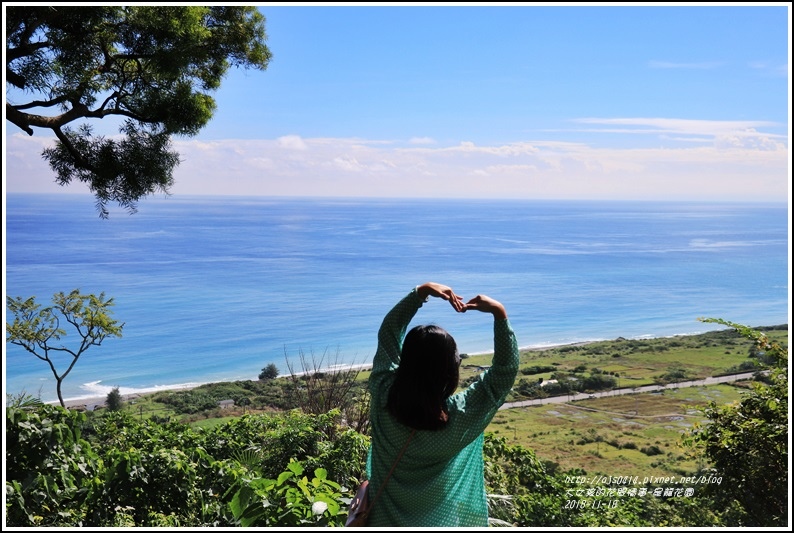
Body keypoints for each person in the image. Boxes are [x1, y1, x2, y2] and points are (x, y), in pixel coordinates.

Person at [365, 282, 519, 527]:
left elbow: (389, 332)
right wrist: (499, 314)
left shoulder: (384, 394)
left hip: (381, 520)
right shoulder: (459, 417)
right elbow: (503, 374)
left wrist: (420, 292)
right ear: (449, 372)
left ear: (405, 362)